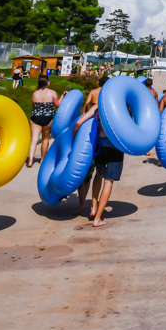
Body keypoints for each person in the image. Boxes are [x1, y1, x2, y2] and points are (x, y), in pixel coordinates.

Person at [73, 86, 122, 227]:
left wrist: (75, 139)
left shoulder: (97, 107)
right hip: (114, 148)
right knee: (109, 181)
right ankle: (98, 219)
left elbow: (78, 122)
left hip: (100, 146)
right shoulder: (118, 108)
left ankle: (94, 208)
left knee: (98, 175)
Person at [27, 76, 61, 167]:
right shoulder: (52, 92)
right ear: (47, 83)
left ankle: (30, 161)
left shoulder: (35, 93)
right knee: (45, 139)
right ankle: (42, 160)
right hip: (48, 117)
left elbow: (33, 104)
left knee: (34, 139)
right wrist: (62, 96)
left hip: (35, 117)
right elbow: (58, 105)